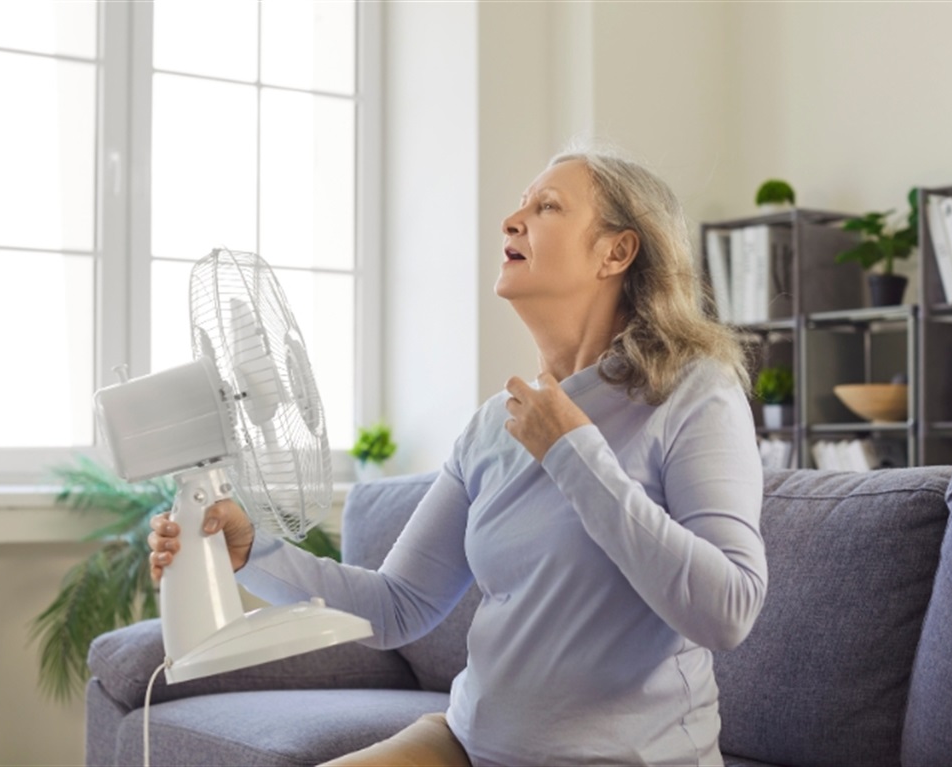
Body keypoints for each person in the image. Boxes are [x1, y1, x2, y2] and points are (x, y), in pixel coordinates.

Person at [149, 146, 767, 766]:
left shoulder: (692, 393)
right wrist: (252, 551)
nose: (512, 220)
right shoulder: (491, 428)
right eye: (520, 204)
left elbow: (728, 611)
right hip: (468, 743)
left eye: (546, 206)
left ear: (617, 251)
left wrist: (572, 451)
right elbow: (398, 606)